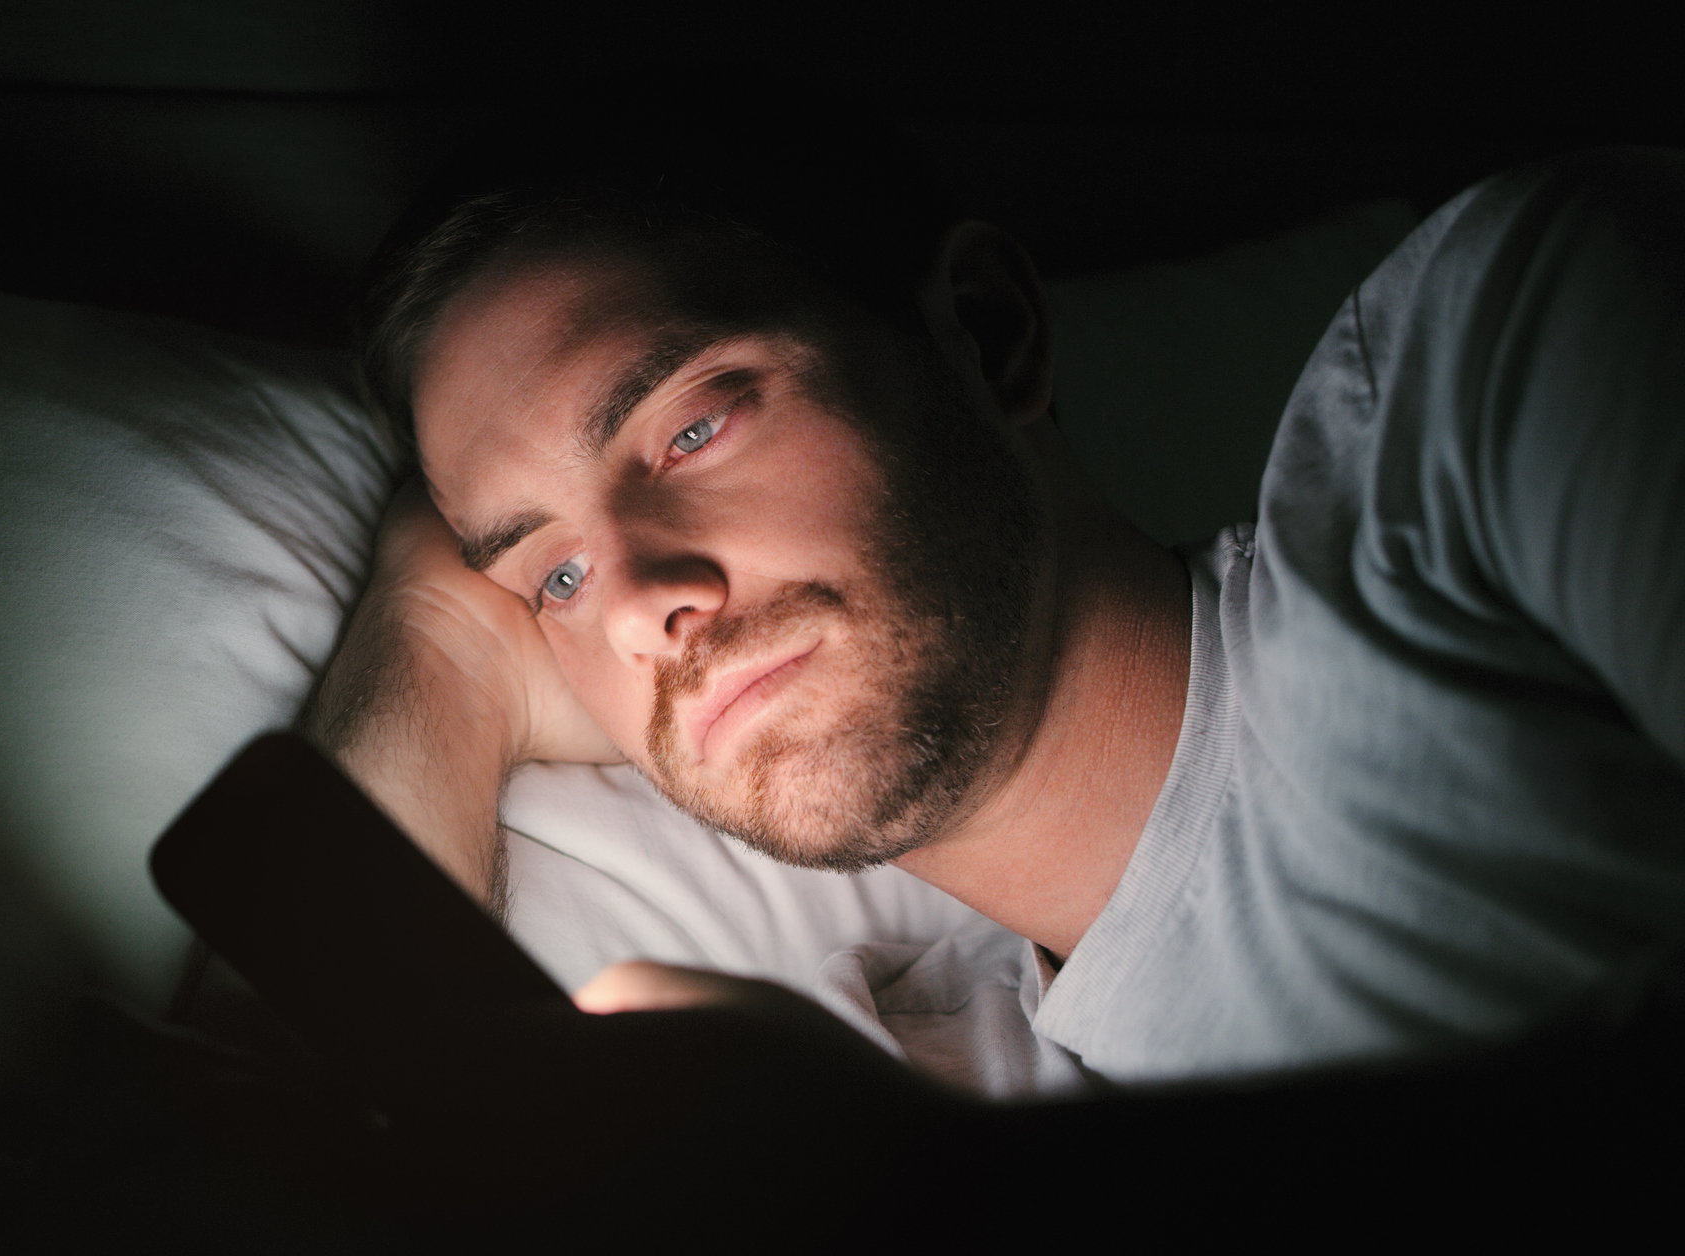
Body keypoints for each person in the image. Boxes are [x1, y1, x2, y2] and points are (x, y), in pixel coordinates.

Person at [301, 110, 1685, 1086]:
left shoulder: (1483, 389)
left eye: (693, 428)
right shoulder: (918, 1105)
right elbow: (286, 1161)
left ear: (989, 335)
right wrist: (445, 638)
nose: (644, 602)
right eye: (552, 569)